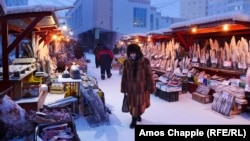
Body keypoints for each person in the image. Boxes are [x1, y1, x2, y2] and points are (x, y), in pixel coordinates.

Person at [120, 44, 156, 129]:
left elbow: (149, 75)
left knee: (140, 104)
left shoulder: (145, 61)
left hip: (142, 88)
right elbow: (124, 76)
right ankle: (134, 119)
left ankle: (138, 114)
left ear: (138, 52)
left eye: (134, 53)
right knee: (133, 104)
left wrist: (151, 86)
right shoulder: (126, 62)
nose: (132, 55)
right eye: (130, 53)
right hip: (131, 89)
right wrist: (123, 87)